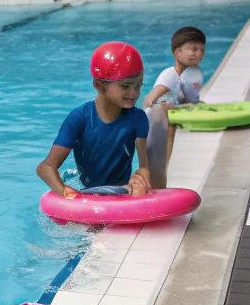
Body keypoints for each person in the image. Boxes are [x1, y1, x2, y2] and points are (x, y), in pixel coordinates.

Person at [36, 42, 152, 199]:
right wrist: (68, 193)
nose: (134, 93)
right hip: (87, 190)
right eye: (126, 86)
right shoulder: (80, 118)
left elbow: (144, 166)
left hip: (120, 189)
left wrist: (140, 180)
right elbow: (46, 167)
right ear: (99, 86)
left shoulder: (138, 119)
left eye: (138, 86)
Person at [143, 26, 206, 169]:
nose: (199, 53)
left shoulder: (190, 76)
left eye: (202, 50)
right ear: (178, 53)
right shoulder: (170, 76)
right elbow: (148, 102)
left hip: (168, 127)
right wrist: (177, 107)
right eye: (194, 49)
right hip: (155, 129)